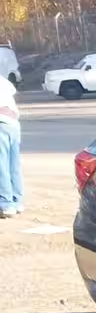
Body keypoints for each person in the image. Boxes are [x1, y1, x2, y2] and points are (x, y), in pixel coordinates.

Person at [0, 75, 22, 217]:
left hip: (1, 122)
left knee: (1, 165)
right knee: (13, 164)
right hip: (13, 122)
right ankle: (17, 201)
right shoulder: (3, 81)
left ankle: (6, 204)